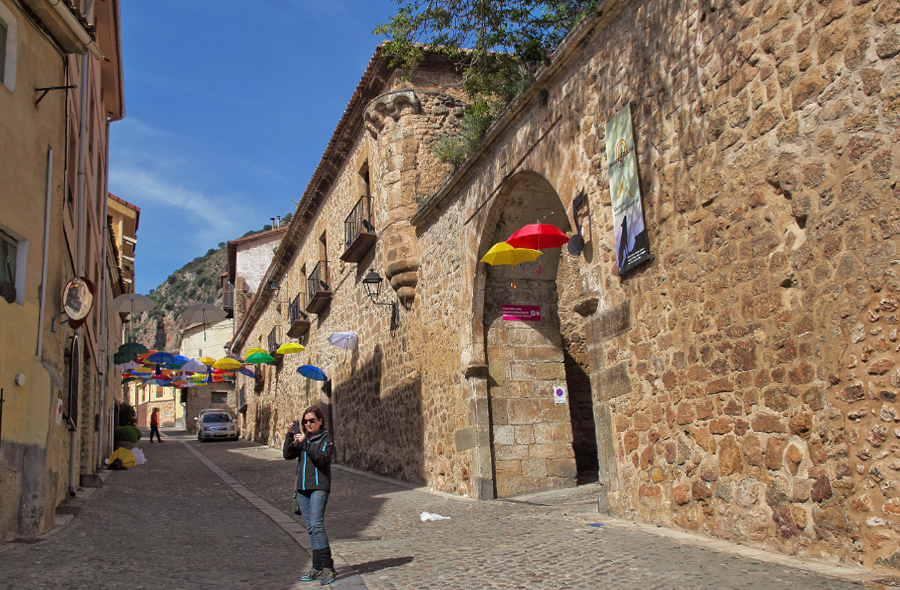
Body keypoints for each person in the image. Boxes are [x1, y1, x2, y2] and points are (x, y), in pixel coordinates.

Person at [284, 407, 335, 585]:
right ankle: (317, 567)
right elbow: (287, 455)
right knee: (311, 528)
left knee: (317, 524)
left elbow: (321, 458)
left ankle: (328, 567)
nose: (308, 424)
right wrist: (290, 436)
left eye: (312, 421)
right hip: (303, 488)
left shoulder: (326, 438)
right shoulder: (303, 437)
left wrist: (305, 442)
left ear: (320, 421)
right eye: (305, 421)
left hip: (319, 487)